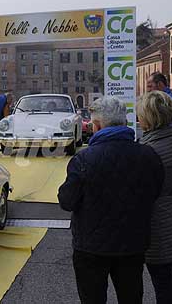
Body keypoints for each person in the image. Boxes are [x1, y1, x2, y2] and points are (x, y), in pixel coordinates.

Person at [57, 97, 164, 304]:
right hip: (133, 243)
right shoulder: (148, 155)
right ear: (125, 123)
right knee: (131, 297)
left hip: (91, 246)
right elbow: (155, 191)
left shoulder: (83, 160)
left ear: (96, 126)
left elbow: (67, 201)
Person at [137, 91, 172, 304]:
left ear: (149, 118)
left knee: (157, 279)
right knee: (166, 278)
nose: (138, 119)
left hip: (155, 220)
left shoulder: (147, 150)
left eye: (140, 115)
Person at [146, 72, 172, 137]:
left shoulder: (167, 101)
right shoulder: (165, 99)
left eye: (150, 86)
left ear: (159, 84)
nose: (148, 90)